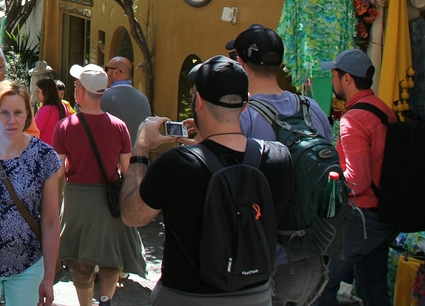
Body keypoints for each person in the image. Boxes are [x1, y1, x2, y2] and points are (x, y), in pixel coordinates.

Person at [120, 55, 294, 306]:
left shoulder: (178, 164)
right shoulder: (278, 158)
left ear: (198, 101)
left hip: (186, 297)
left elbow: (131, 215)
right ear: (245, 105)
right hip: (257, 295)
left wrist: (141, 149)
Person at [231, 25, 333, 306]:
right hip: (308, 253)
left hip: (257, 259)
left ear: (241, 63)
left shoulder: (242, 114)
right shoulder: (312, 109)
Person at [53, 64, 146, 306]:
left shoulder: (64, 127)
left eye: (76, 85)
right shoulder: (119, 126)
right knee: (111, 257)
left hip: (78, 202)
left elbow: (58, 171)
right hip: (110, 200)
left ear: (81, 91)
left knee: (80, 261)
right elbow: (128, 170)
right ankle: (105, 299)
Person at [0, 81, 62, 306]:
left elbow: (50, 221)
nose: (12, 120)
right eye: (4, 113)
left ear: (28, 114)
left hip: (28, 264)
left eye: (18, 112)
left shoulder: (44, 157)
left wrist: (49, 276)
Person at [316, 49, 397, 306]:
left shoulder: (353, 120)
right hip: (386, 214)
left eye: (334, 75)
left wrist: (327, 179)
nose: (331, 81)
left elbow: (356, 181)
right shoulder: (384, 110)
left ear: (347, 79)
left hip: (361, 218)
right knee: (373, 291)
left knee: (320, 287)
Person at [102, 56, 152, 143]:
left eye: (107, 69)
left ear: (116, 72)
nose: (105, 73)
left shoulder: (102, 97)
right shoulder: (143, 99)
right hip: (137, 154)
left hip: (109, 154)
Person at [34, 77, 71, 146]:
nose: (36, 94)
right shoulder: (63, 106)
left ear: (46, 92)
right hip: (60, 150)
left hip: (45, 150)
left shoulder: (45, 110)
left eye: (38, 91)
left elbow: (34, 130)